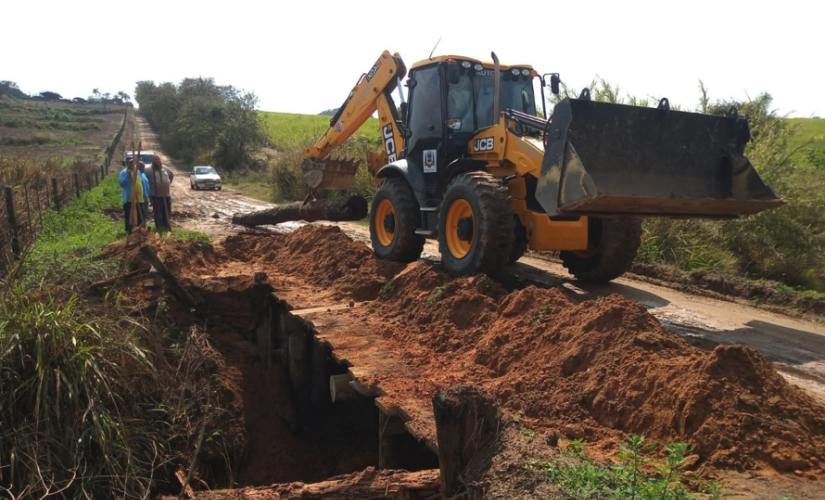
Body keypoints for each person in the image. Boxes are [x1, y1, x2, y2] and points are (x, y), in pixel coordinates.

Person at [118, 159, 150, 234]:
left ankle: (140, 231)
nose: (132, 164)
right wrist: (128, 176)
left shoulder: (138, 172)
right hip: (130, 200)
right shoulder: (123, 173)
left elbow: (143, 185)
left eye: (133, 162)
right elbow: (122, 184)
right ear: (127, 163)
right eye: (130, 162)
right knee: (130, 217)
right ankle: (129, 232)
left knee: (140, 216)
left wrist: (146, 196)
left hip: (140, 199)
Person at [147, 154, 174, 231]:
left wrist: (169, 182)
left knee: (167, 211)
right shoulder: (149, 169)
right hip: (156, 195)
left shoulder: (164, 168)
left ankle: (166, 225)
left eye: (159, 159)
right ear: (152, 161)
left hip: (166, 195)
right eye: (156, 160)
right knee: (158, 212)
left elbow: (171, 175)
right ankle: (159, 226)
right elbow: (143, 177)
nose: (158, 161)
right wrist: (149, 182)